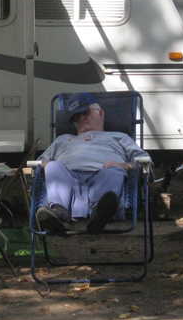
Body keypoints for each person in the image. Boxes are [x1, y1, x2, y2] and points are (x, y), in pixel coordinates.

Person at [36, 93, 149, 234]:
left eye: (85, 113)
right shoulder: (62, 139)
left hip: (103, 176)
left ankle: (100, 214)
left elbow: (144, 160)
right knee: (53, 166)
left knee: (113, 171)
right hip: (66, 180)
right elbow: (39, 161)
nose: (81, 118)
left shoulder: (119, 136)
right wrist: (47, 165)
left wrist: (124, 166)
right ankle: (58, 213)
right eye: (76, 117)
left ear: (100, 113)